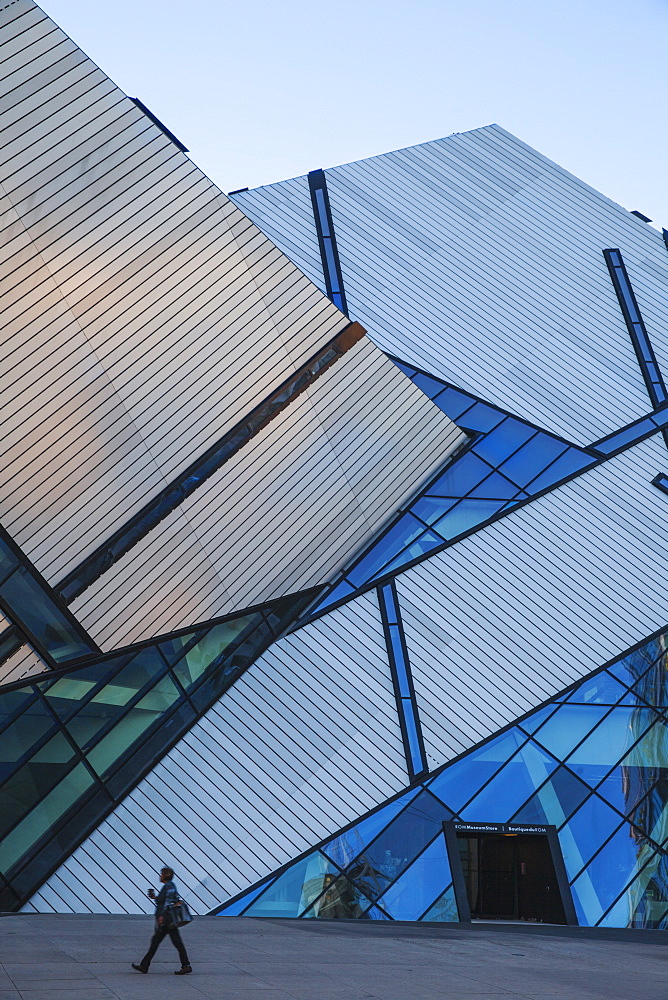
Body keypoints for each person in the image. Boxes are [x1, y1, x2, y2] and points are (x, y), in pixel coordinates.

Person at [132, 866, 192, 975]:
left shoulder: (168, 887)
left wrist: (161, 917)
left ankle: (145, 966)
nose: (160, 876)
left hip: (167, 921)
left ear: (165, 875)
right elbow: (166, 900)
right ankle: (185, 965)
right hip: (169, 921)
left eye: (161, 874)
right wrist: (155, 897)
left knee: (159, 942)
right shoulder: (169, 886)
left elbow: (167, 903)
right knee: (170, 942)